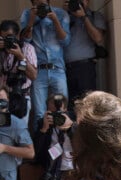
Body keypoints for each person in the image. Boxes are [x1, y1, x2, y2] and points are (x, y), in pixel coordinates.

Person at [33, 93, 94, 180]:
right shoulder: (44, 124)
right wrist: (43, 130)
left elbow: (87, 145)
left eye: (58, 112)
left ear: (65, 109)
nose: (55, 116)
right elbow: (36, 154)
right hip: (60, 176)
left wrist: (70, 127)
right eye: (52, 112)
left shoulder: (77, 120)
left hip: (81, 174)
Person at [20, 0, 70, 130]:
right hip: (39, 70)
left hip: (57, 69)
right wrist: (31, 19)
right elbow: (25, 40)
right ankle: (41, 144)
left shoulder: (60, 14)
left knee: (62, 109)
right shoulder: (27, 14)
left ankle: (61, 142)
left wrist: (55, 20)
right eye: (37, 4)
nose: (40, 7)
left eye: (42, 3)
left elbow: (65, 41)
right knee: (39, 113)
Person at [63, 0, 106, 111]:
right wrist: (64, 13)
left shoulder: (95, 16)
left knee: (88, 104)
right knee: (69, 106)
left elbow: (98, 38)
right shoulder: (63, 17)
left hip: (85, 68)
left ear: (87, 1)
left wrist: (84, 17)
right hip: (64, 69)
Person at [0, 20, 37, 125]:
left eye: (9, 37)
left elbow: (33, 75)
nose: (6, 41)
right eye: (3, 38)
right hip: (2, 98)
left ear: (16, 35)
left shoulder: (27, 48)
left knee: (19, 132)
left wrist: (20, 56)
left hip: (21, 96)